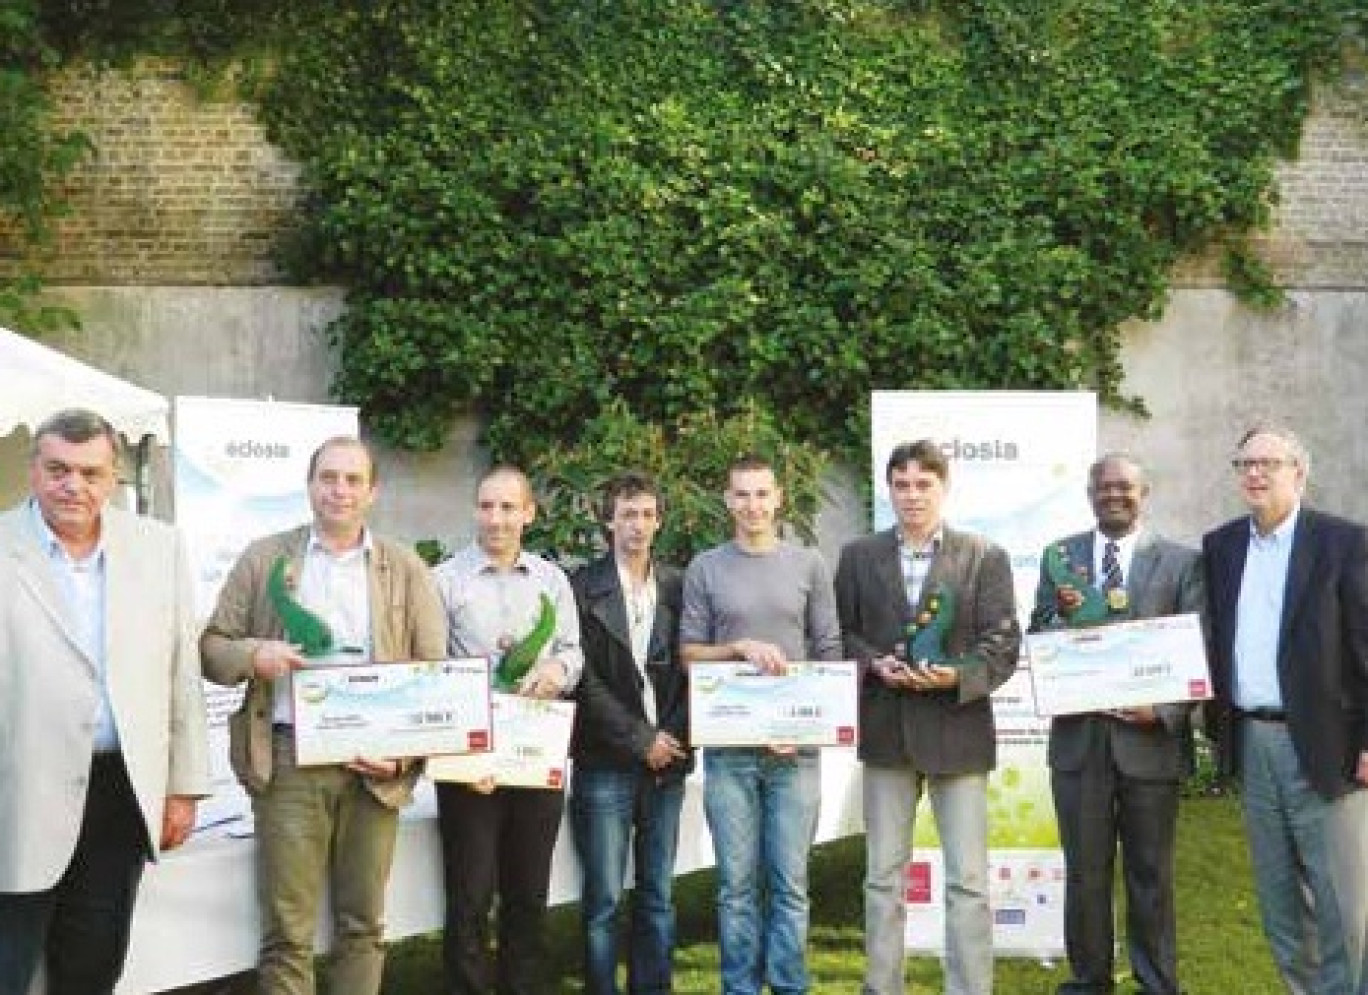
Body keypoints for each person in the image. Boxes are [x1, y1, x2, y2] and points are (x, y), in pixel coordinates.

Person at [200, 436, 447, 995]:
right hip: (289, 761)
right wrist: (253, 655)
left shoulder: (405, 568)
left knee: (363, 927)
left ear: (372, 491)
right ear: (310, 484)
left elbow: (433, 675)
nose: (340, 490)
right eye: (328, 477)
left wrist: (404, 753)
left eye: (353, 480)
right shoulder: (264, 558)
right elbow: (212, 648)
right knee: (287, 932)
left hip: (375, 768)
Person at [0, 407, 209, 995]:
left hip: (120, 793)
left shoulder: (159, 548)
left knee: (93, 966)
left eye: (91, 473)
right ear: (34, 470)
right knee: (8, 965)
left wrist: (184, 786)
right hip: (17, 790)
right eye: (59, 469)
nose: (74, 486)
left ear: (113, 477)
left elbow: (180, 672)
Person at [833, 439, 1019, 995]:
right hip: (887, 733)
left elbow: (1002, 645)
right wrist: (873, 664)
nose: (912, 495)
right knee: (882, 878)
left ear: (944, 487)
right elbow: (841, 634)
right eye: (902, 484)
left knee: (968, 881)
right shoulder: (858, 556)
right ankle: (881, 986)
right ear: (888, 488)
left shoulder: (984, 556)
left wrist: (956, 677)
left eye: (923, 484)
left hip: (957, 732)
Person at [1028, 454, 1202, 995]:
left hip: (1149, 745)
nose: (1114, 495)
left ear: (1144, 493)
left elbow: (1200, 647)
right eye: (1104, 487)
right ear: (1089, 494)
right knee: (1085, 871)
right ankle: (1090, 978)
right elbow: (1040, 630)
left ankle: (1156, 981)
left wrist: (1167, 713)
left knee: (1150, 875)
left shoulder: (1180, 562)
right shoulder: (1060, 558)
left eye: (1125, 487)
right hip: (1080, 743)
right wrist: (1057, 630)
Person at [1204, 423, 1368, 995]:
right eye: (1245, 463)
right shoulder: (1221, 546)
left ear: (1300, 472)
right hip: (1253, 740)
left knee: (1339, 899)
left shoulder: (1345, 543)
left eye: (1268, 463)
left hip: (1329, 743)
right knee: (1277, 898)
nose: (1255, 473)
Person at [680, 453, 843, 995]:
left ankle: (790, 986)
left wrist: (799, 729)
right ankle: (740, 988)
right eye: (741, 494)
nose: (752, 505)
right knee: (735, 887)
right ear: (728, 501)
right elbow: (689, 655)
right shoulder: (706, 568)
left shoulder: (809, 565)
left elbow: (829, 654)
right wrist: (737, 648)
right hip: (729, 751)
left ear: (778, 499)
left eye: (762, 494)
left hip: (793, 754)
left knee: (791, 885)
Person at [431, 464, 584, 995]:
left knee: (528, 896)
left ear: (528, 514)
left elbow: (572, 652)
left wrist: (555, 671)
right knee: (470, 898)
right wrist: (468, 762)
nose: (495, 518)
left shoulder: (553, 581)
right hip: (470, 762)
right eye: (486, 506)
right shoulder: (445, 580)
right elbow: (432, 667)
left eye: (507, 507)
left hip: (533, 753)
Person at [569, 471, 691, 995]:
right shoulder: (580, 588)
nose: (637, 526)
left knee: (658, 896)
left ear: (658, 521)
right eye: (626, 515)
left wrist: (672, 738)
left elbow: (693, 671)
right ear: (608, 521)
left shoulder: (681, 586)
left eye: (646, 514)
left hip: (668, 765)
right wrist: (639, 739)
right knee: (602, 902)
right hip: (605, 764)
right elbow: (582, 681)